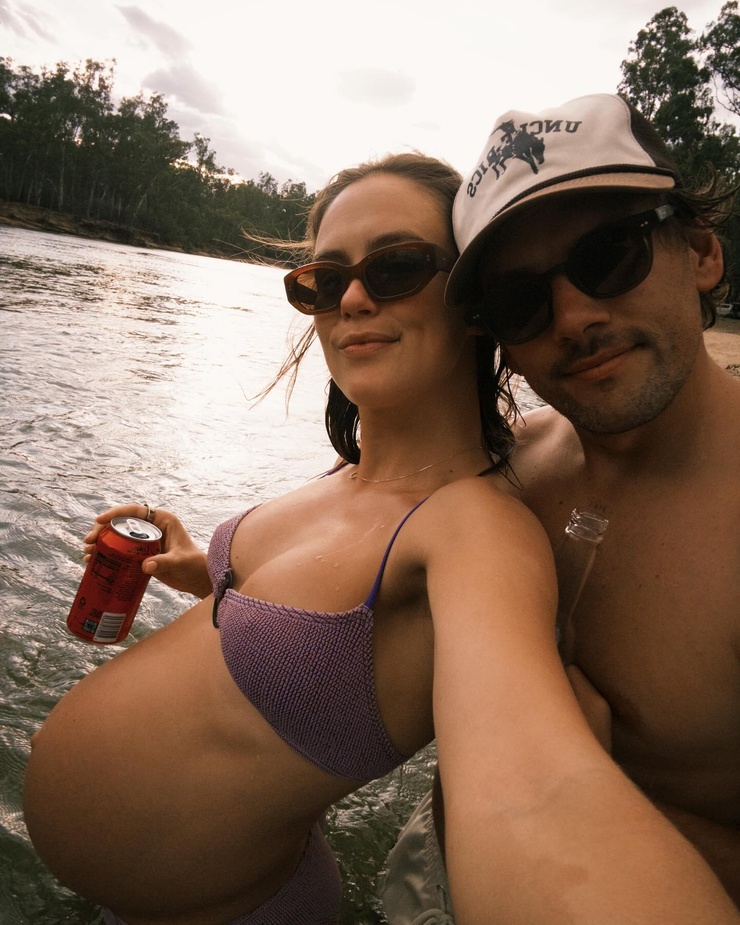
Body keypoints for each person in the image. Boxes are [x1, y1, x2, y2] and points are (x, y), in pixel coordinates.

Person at [22, 151, 739, 925]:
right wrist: (199, 564)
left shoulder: (475, 527)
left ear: (472, 305)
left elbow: (531, 796)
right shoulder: (354, 470)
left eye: (396, 268)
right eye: (325, 281)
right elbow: (318, 617)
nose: (354, 299)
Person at [381, 92, 740, 923]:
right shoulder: (507, 468)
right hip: (433, 871)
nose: (574, 318)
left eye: (609, 256)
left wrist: (579, 791)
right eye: (521, 301)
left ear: (700, 252)